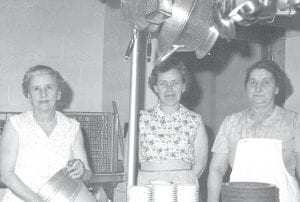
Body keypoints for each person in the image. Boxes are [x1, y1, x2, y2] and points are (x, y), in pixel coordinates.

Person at [207, 60, 300, 202]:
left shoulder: (294, 122)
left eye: (266, 82)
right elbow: (217, 170)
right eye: (252, 82)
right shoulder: (231, 122)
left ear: (276, 88)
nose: (258, 88)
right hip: (239, 199)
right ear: (246, 87)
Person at [0, 65, 92, 202]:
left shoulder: (72, 127)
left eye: (49, 87)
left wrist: (81, 171)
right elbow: (6, 175)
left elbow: (87, 175)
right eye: (36, 88)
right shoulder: (15, 125)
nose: (43, 94)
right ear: (29, 96)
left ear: (59, 93)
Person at [137, 57, 208, 187]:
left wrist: (183, 185)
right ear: (155, 87)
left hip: (183, 187)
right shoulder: (140, 119)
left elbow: (201, 164)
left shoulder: (195, 121)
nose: (169, 89)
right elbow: (128, 161)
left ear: (184, 86)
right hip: (147, 186)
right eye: (163, 83)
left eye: (175, 83)